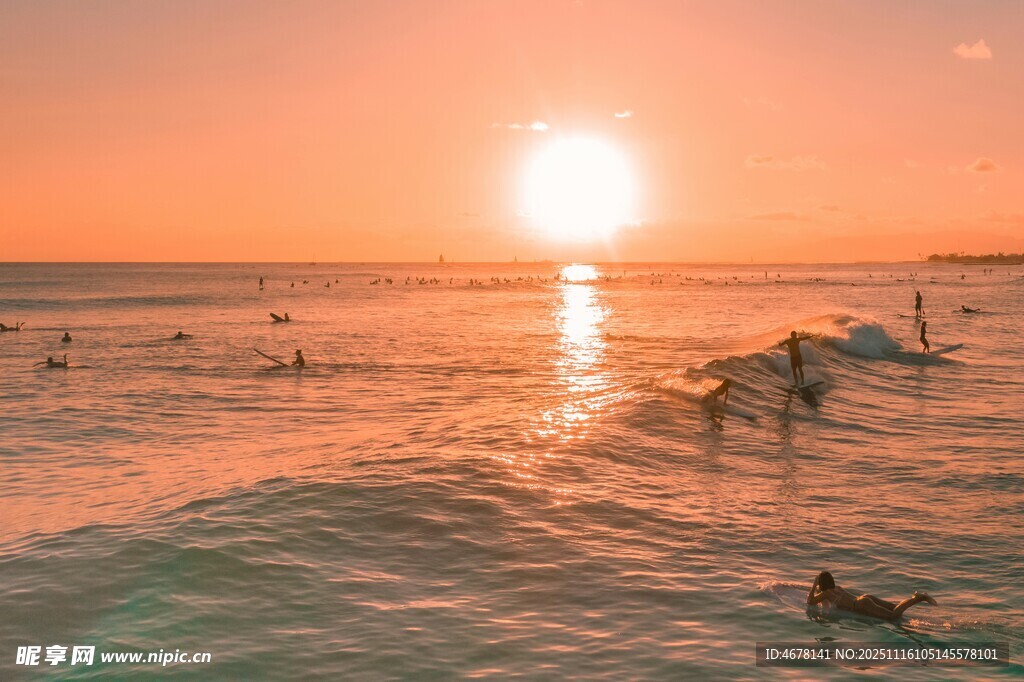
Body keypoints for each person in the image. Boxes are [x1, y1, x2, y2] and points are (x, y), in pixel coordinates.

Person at [807, 571, 936, 621]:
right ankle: (921, 597)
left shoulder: (826, 594)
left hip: (861, 605)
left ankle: (917, 598)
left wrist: (814, 585)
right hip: (863, 597)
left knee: (893, 616)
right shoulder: (837, 588)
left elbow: (810, 601)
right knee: (893, 607)